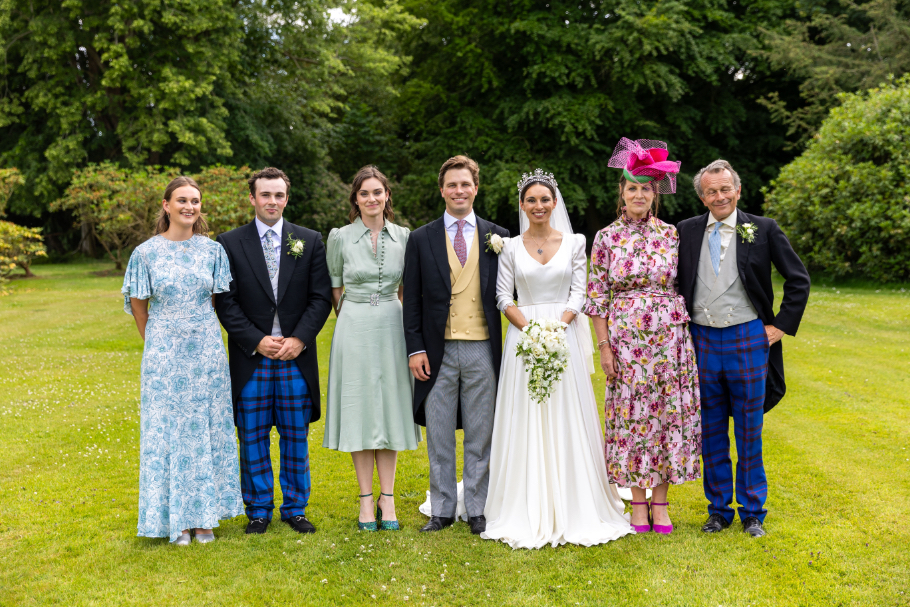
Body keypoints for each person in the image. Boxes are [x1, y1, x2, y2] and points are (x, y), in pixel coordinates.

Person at [481, 169, 634, 549]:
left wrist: (557, 328)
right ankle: (522, 498)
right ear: (522, 205)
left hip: (563, 334)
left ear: (554, 203)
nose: (539, 206)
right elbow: (503, 296)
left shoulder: (575, 242)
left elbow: (580, 292)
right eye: (531, 200)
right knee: (526, 412)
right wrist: (532, 331)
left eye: (545, 199)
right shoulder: (509, 246)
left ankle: (575, 496)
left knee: (567, 412)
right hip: (524, 338)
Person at [677, 159, 810, 537]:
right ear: (702, 197)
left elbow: (798, 279)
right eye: (711, 191)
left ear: (737, 190)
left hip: (748, 338)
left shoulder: (763, 228)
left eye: (725, 189)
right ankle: (719, 510)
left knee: (750, 430)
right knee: (711, 431)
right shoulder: (685, 231)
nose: (719, 196)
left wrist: (780, 325)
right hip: (701, 340)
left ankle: (753, 512)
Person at [585, 138, 702, 536]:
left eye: (645, 189)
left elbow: (686, 283)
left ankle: (662, 503)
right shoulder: (606, 237)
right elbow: (596, 297)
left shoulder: (671, 234)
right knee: (633, 416)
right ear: (621, 192)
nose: (638, 194)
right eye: (632, 187)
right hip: (626, 342)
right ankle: (637, 501)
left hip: (670, 339)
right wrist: (604, 348)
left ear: (656, 194)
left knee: (666, 414)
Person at [122, 176, 243, 545]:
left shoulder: (213, 252)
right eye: (182, 200)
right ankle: (176, 521)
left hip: (206, 353)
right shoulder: (145, 253)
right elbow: (139, 307)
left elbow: (216, 301)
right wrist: (157, 342)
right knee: (168, 432)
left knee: (206, 428)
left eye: (195, 201)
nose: (189, 206)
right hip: (164, 354)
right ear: (166, 205)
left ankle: (205, 518)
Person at [214, 167, 332, 535]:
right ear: (252, 198)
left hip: (295, 356)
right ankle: (259, 509)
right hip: (253, 358)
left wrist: (299, 339)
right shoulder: (229, 243)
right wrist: (256, 340)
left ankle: (295, 508)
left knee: (296, 435)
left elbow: (320, 298)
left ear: (286, 198)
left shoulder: (309, 240)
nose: (272, 201)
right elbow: (226, 302)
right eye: (265, 194)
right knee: (251, 435)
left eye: (279, 195)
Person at [403, 155, 509, 535]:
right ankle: (443, 509)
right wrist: (415, 348)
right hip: (437, 349)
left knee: (481, 433)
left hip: (483, 346)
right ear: (442, 190)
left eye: (465, 184)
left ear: (476, 188)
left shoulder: (498, 236)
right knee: (439, 433)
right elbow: (411, 300)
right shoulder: (421, 238)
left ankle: (478, 508)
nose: (459, 190)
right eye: (452, 184)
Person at [323, 166, 421, 531]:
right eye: (364, 193)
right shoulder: (340, 237)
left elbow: (406, 289)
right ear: (356, 198)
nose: (371, 198)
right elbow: (335, 286)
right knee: (360, 408)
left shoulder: (404, 237)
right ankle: (366, 499)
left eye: (377, 192)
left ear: (387, 195)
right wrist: (353, 315)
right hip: (353, 325)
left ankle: (388, 497)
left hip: (393, 326)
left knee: (390, 407)